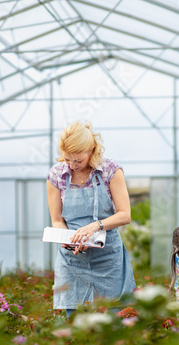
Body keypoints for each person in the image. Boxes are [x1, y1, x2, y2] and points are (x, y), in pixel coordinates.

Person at [47, 121, 136, 318]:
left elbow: (124, 214)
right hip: (73, 258)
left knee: (114, 317)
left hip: (108, 257)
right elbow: (57, 220)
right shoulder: (56, 175)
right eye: (68, 159)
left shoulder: (110, 170)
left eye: (78, 160)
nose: (72, 165)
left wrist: (96, 227)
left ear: (92, 150)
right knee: (75, 318)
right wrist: (69, 241)